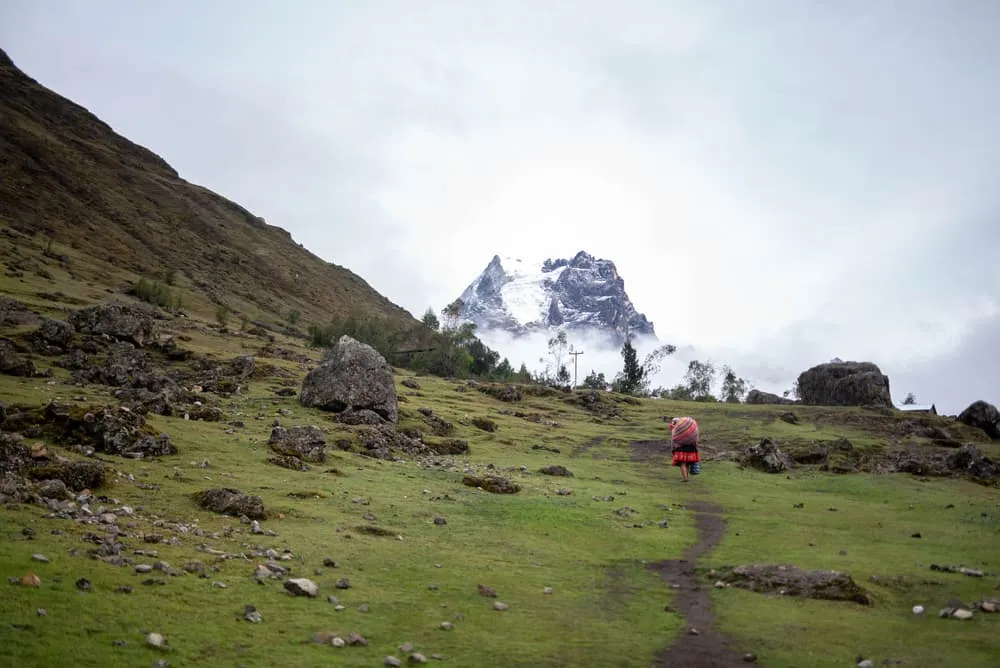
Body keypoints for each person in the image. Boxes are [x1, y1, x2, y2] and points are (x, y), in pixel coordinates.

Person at [670, 416, 700, 482]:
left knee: (682, 464)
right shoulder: (690, 430)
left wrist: (673, 450)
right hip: (691, 448)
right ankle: (686, 477)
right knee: (687, 463)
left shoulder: (675, 431)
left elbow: (674, 441)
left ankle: (685, 478)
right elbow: (695, 439)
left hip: (680, 449)